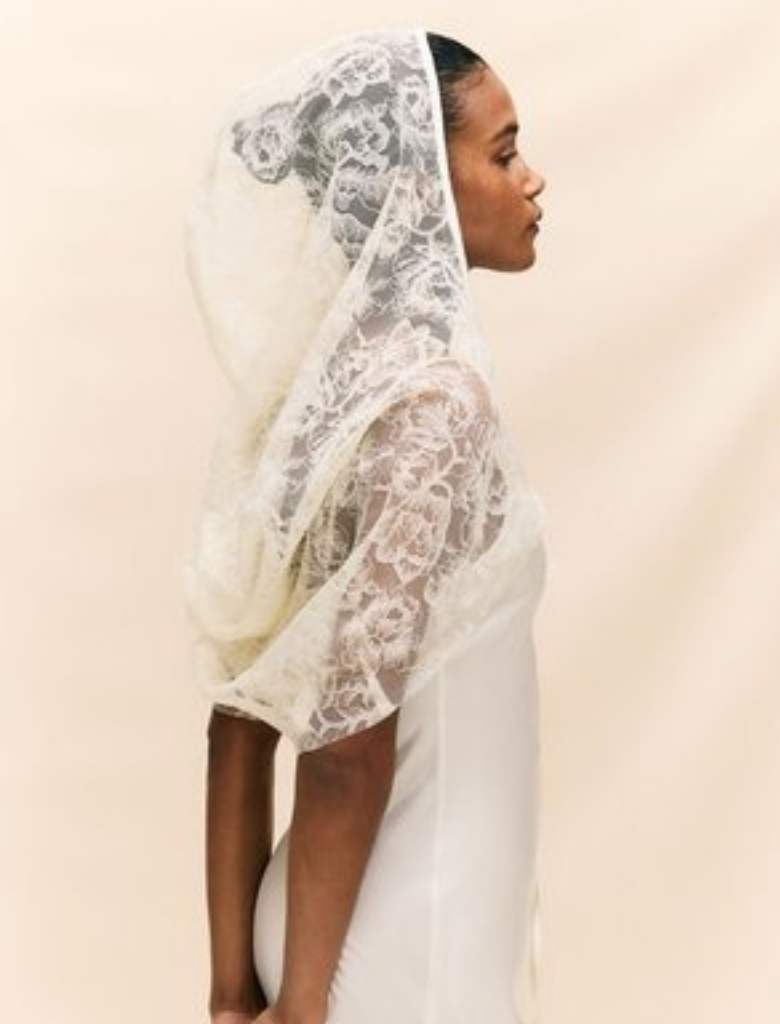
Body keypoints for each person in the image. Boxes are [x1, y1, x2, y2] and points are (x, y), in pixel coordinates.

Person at [182, 25, 548, 1024]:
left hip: (316, 926)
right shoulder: (433, 407)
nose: (531, 179)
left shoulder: (318, 404)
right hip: (402, 952)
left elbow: (236, 724)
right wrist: (303, 1008)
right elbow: (346, 744)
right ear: (420, 181)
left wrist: (233, 992)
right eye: (504, 152)